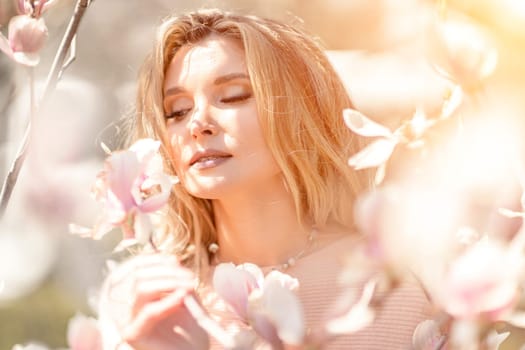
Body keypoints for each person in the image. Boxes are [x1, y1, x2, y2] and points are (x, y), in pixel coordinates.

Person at [97, 8, 431, 349]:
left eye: (233, 96)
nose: (197, 125)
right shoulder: (140, 299)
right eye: (177, 111)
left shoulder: (403, 272)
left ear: (302, 110)